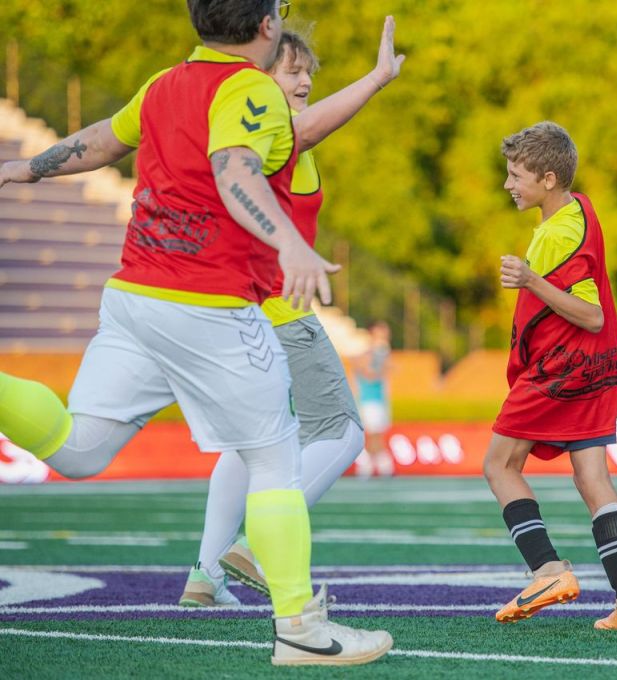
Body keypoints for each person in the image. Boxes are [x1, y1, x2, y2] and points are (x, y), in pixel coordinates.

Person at [0, 0, 392, 665]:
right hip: (207, 303)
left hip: (134, 299)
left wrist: (28, 167)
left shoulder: (163, 84)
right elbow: (235, 169)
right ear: (267, 26)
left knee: (81, 450)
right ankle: (300, 629)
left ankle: (232, 586)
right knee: (272, 459)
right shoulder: (251, 90)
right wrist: (288, 243)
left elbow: (101, 138)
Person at [180, 21, 404, 606]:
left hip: (236, 312)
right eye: (292, 70)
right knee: (344, 433)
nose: (304, 80)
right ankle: (260, 538)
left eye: (309, 70)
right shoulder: (274, 136)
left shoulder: (241, 135)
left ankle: (204, 575)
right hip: (278, 312)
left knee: (245, 445)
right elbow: (305, 129)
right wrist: (378, 78)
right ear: (258, 78)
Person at [483, 121, 617, 632]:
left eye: (517, 175)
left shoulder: (556, 233)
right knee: (592, 477)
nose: (509, 184)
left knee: (499, 465)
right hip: (595, 365)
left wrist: (531, 279)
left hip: (562, 367)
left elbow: (591, 313)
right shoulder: (580, 209)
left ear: (549, 178)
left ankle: (548, 569)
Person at [354, 319, 394, 477]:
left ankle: (372, 466)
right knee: (373, 435)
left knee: (377, 434)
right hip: (369, 400)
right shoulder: (369, 353)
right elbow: (368, 374)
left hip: (380, 400)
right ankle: (374, 466)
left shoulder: (382, 353)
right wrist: (382, 368)